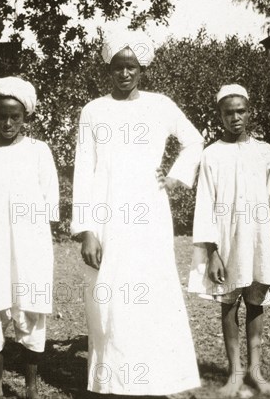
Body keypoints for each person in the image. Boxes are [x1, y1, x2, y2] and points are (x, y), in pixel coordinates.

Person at [71, 30, 203, 396]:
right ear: (108, 69)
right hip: (106, 216)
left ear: (142, 68)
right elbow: (84, 168)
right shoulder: (93, 110)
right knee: (108, 298)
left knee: (151, 295)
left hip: (148, 215)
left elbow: (194, 140)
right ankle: (114, 382)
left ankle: (155, 381)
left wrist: (175, 177)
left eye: (131, 66)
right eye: (118, 67)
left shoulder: (160, 105)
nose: (125, 73)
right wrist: (87, 230)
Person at [188, 84, 270, 397]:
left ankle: (256, 371)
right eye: (228, 112)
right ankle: (234, 372)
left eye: (241, 111)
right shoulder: (211, 155)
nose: (235, 117)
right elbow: (206, 204)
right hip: (226, 241)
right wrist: (213, 253)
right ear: (220, 115)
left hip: (259, 240)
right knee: (228, 304)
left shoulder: (265, 152)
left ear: (249, 112)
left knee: (256, 301)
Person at [0, 76, 59, 399]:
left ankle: (31, 386)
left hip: (30, 242)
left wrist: (40, 237)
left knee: (31, 307)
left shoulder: (39, 151)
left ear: (25, 117)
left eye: (15, 117)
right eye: (2, 116)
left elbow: (49, 200)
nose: (8, 122)